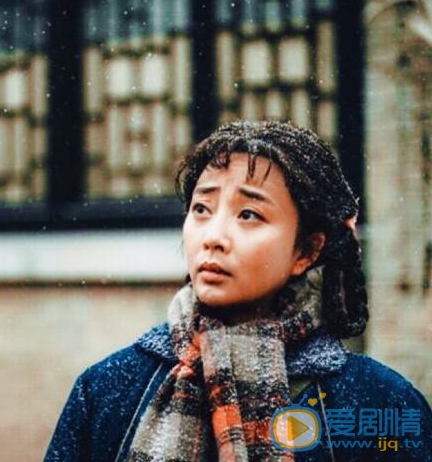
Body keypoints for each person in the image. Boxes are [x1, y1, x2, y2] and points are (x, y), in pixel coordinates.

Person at [44, 121, 432, 462]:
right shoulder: (107, 391)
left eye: (248, 215)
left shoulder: (377, 404)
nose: (213, 237)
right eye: (201, 209)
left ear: (306, 251)